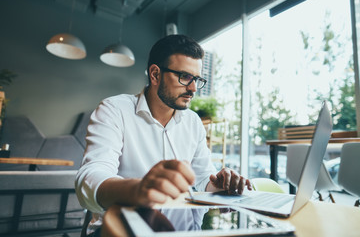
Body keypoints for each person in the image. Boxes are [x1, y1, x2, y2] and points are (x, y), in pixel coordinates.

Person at [75, 34, 252, 236]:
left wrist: (221, 185)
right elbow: (90, 178)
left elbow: (203, 179)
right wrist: (138, 189)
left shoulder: (193, 122)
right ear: (155, 74)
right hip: (121, 231)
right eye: (185, 77)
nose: (193, 88)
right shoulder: (114, 110)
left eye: (197, 79)